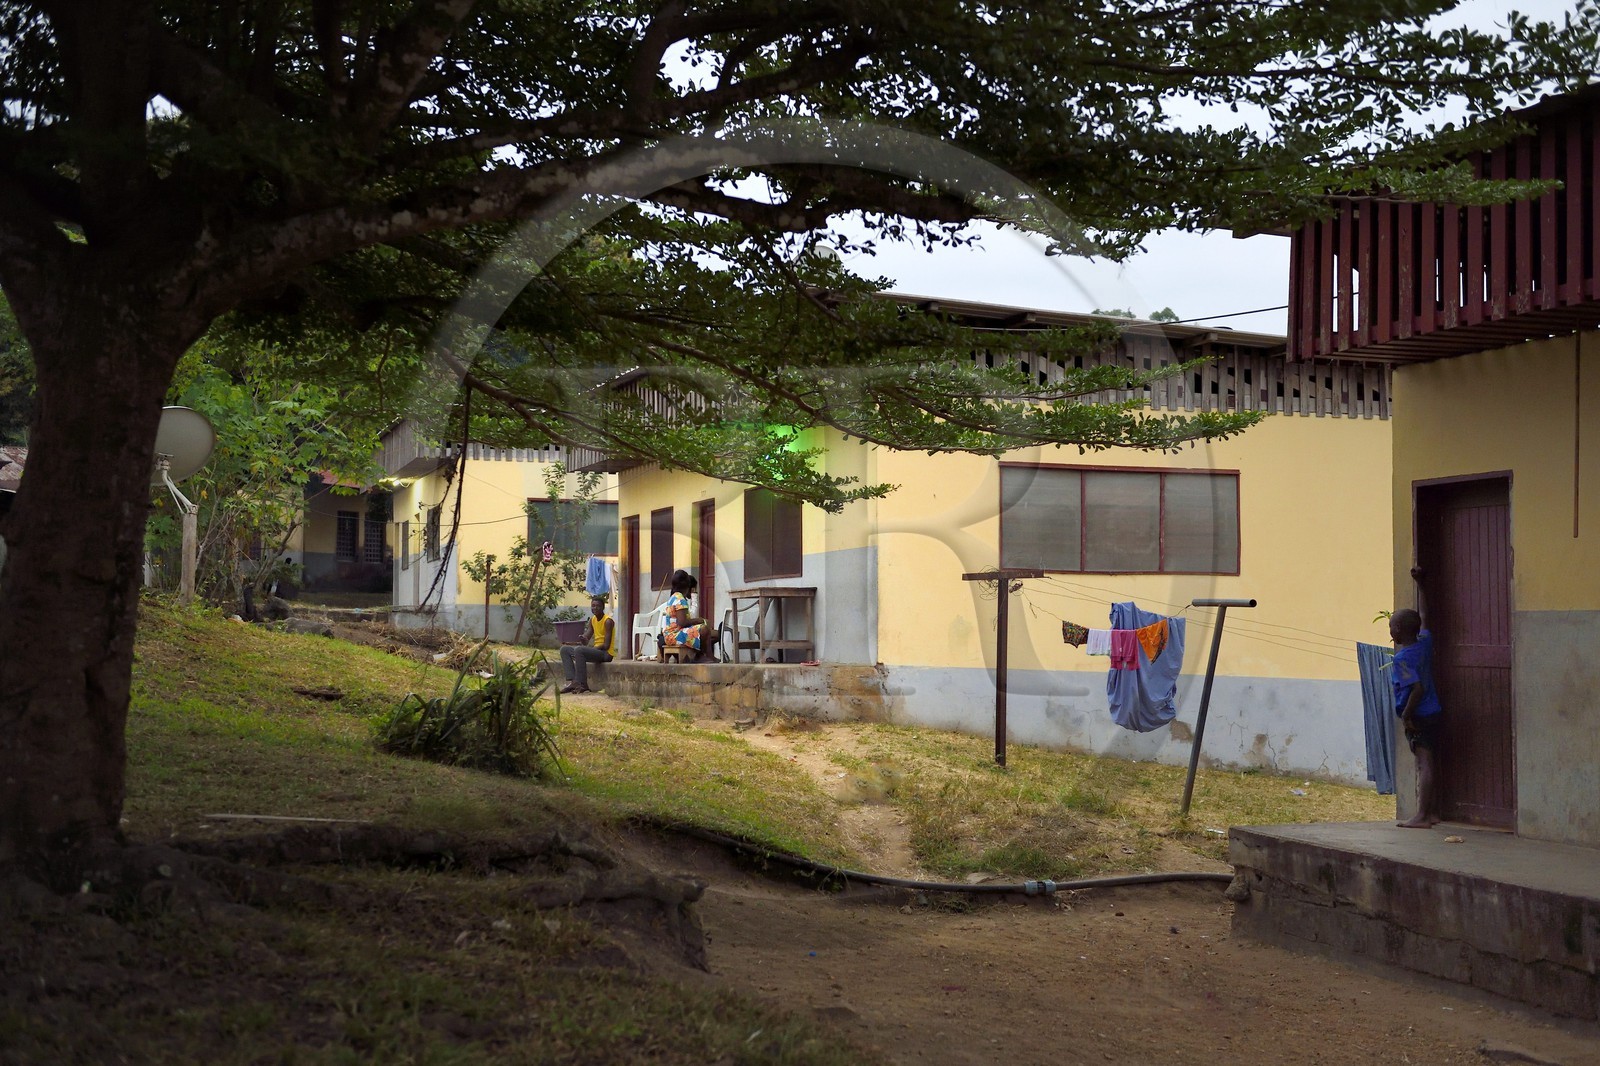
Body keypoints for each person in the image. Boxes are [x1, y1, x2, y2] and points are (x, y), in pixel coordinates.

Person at [1389, 607, 1442, 828]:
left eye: (1391, 626)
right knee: (1429, 762)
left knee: (1424, 764)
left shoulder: (1402, 659)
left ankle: (1421, 816)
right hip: (1433, 713)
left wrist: (1407, 715)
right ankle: (1430, 813)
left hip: (1418, 716)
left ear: (1398, 630)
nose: (1390, 631)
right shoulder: (1424, 646)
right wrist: (1421, 585)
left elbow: (1416, 689)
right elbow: (1427, 624)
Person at [559, 596, 615, 694]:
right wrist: (581, 639)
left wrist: (591, 648)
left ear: (603, 607)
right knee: (564, 649)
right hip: (596, 651)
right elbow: (586, 640)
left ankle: (583, 685)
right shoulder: (592, 620)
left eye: (598, 606)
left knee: (579, 650)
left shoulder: (608, 621)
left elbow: (606, 645)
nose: (595, 608)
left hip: (605, 654)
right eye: (593, 606)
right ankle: (574, 682)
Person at [660, 569, 708, 661]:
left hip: (669, 634)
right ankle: (702, 656)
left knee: (704, 629)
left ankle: (704, 655)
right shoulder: (680, 599)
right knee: (704, 629)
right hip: (673, 635)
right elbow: (682, 622)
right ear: (687, 585)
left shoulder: (674, 596)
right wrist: (699, 620)